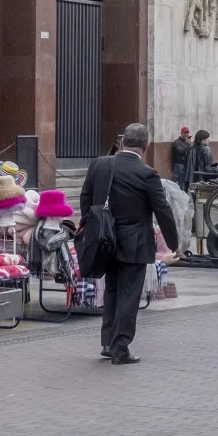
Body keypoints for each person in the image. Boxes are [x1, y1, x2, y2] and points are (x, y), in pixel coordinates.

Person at [80, 123, 179, 365]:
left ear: (123, 141)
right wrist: (174, 242)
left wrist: (91, 226)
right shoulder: (147, 173)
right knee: (129, 295)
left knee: (111, 291)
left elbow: (85, 197)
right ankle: (120, 347)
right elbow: (162, 210)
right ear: (146, 145)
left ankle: (107, 342)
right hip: (134, 243)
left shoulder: (100, 165)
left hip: (104, 240)